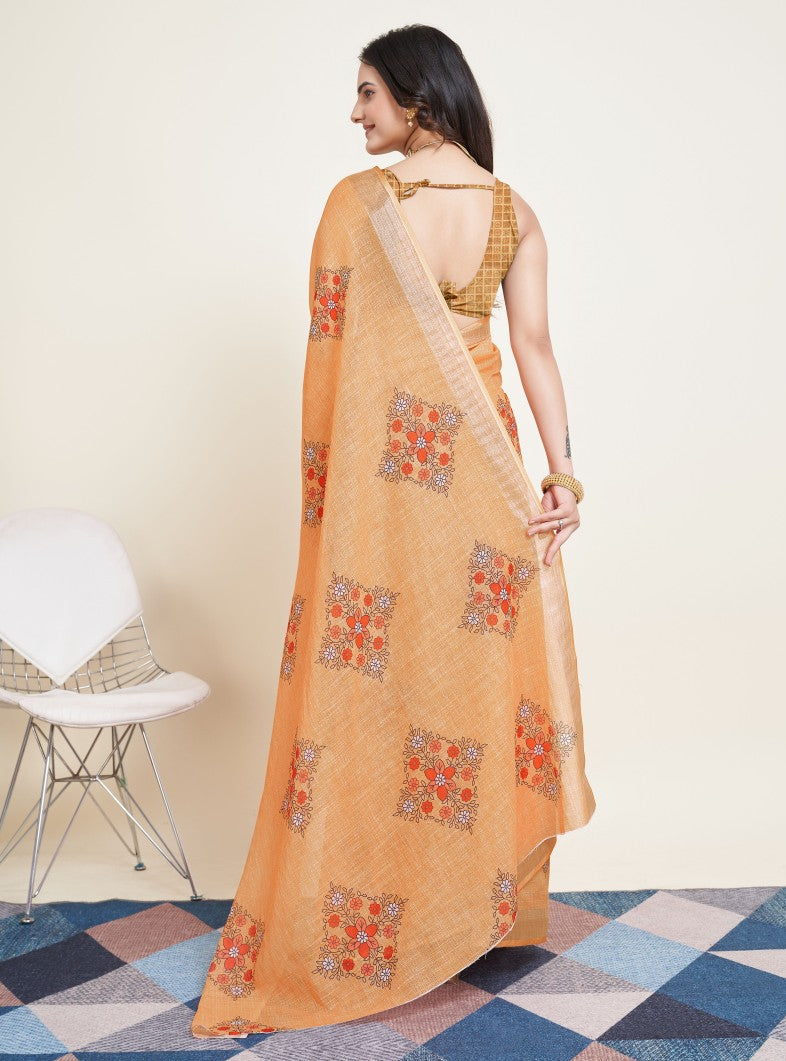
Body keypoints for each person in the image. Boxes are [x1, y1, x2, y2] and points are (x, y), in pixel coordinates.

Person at [191, 23, 595, 1039]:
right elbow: (534, 347)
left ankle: (377, 924)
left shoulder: (359, 207)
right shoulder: (513, 212)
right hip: (493, 484)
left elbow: (339, 358)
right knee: (471, 692)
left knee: (377, 691)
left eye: (368, 92)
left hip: (387, 490)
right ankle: (466, 913)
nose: (356, 112)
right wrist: (562, 474)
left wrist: (330, 497)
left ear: (416, 97)